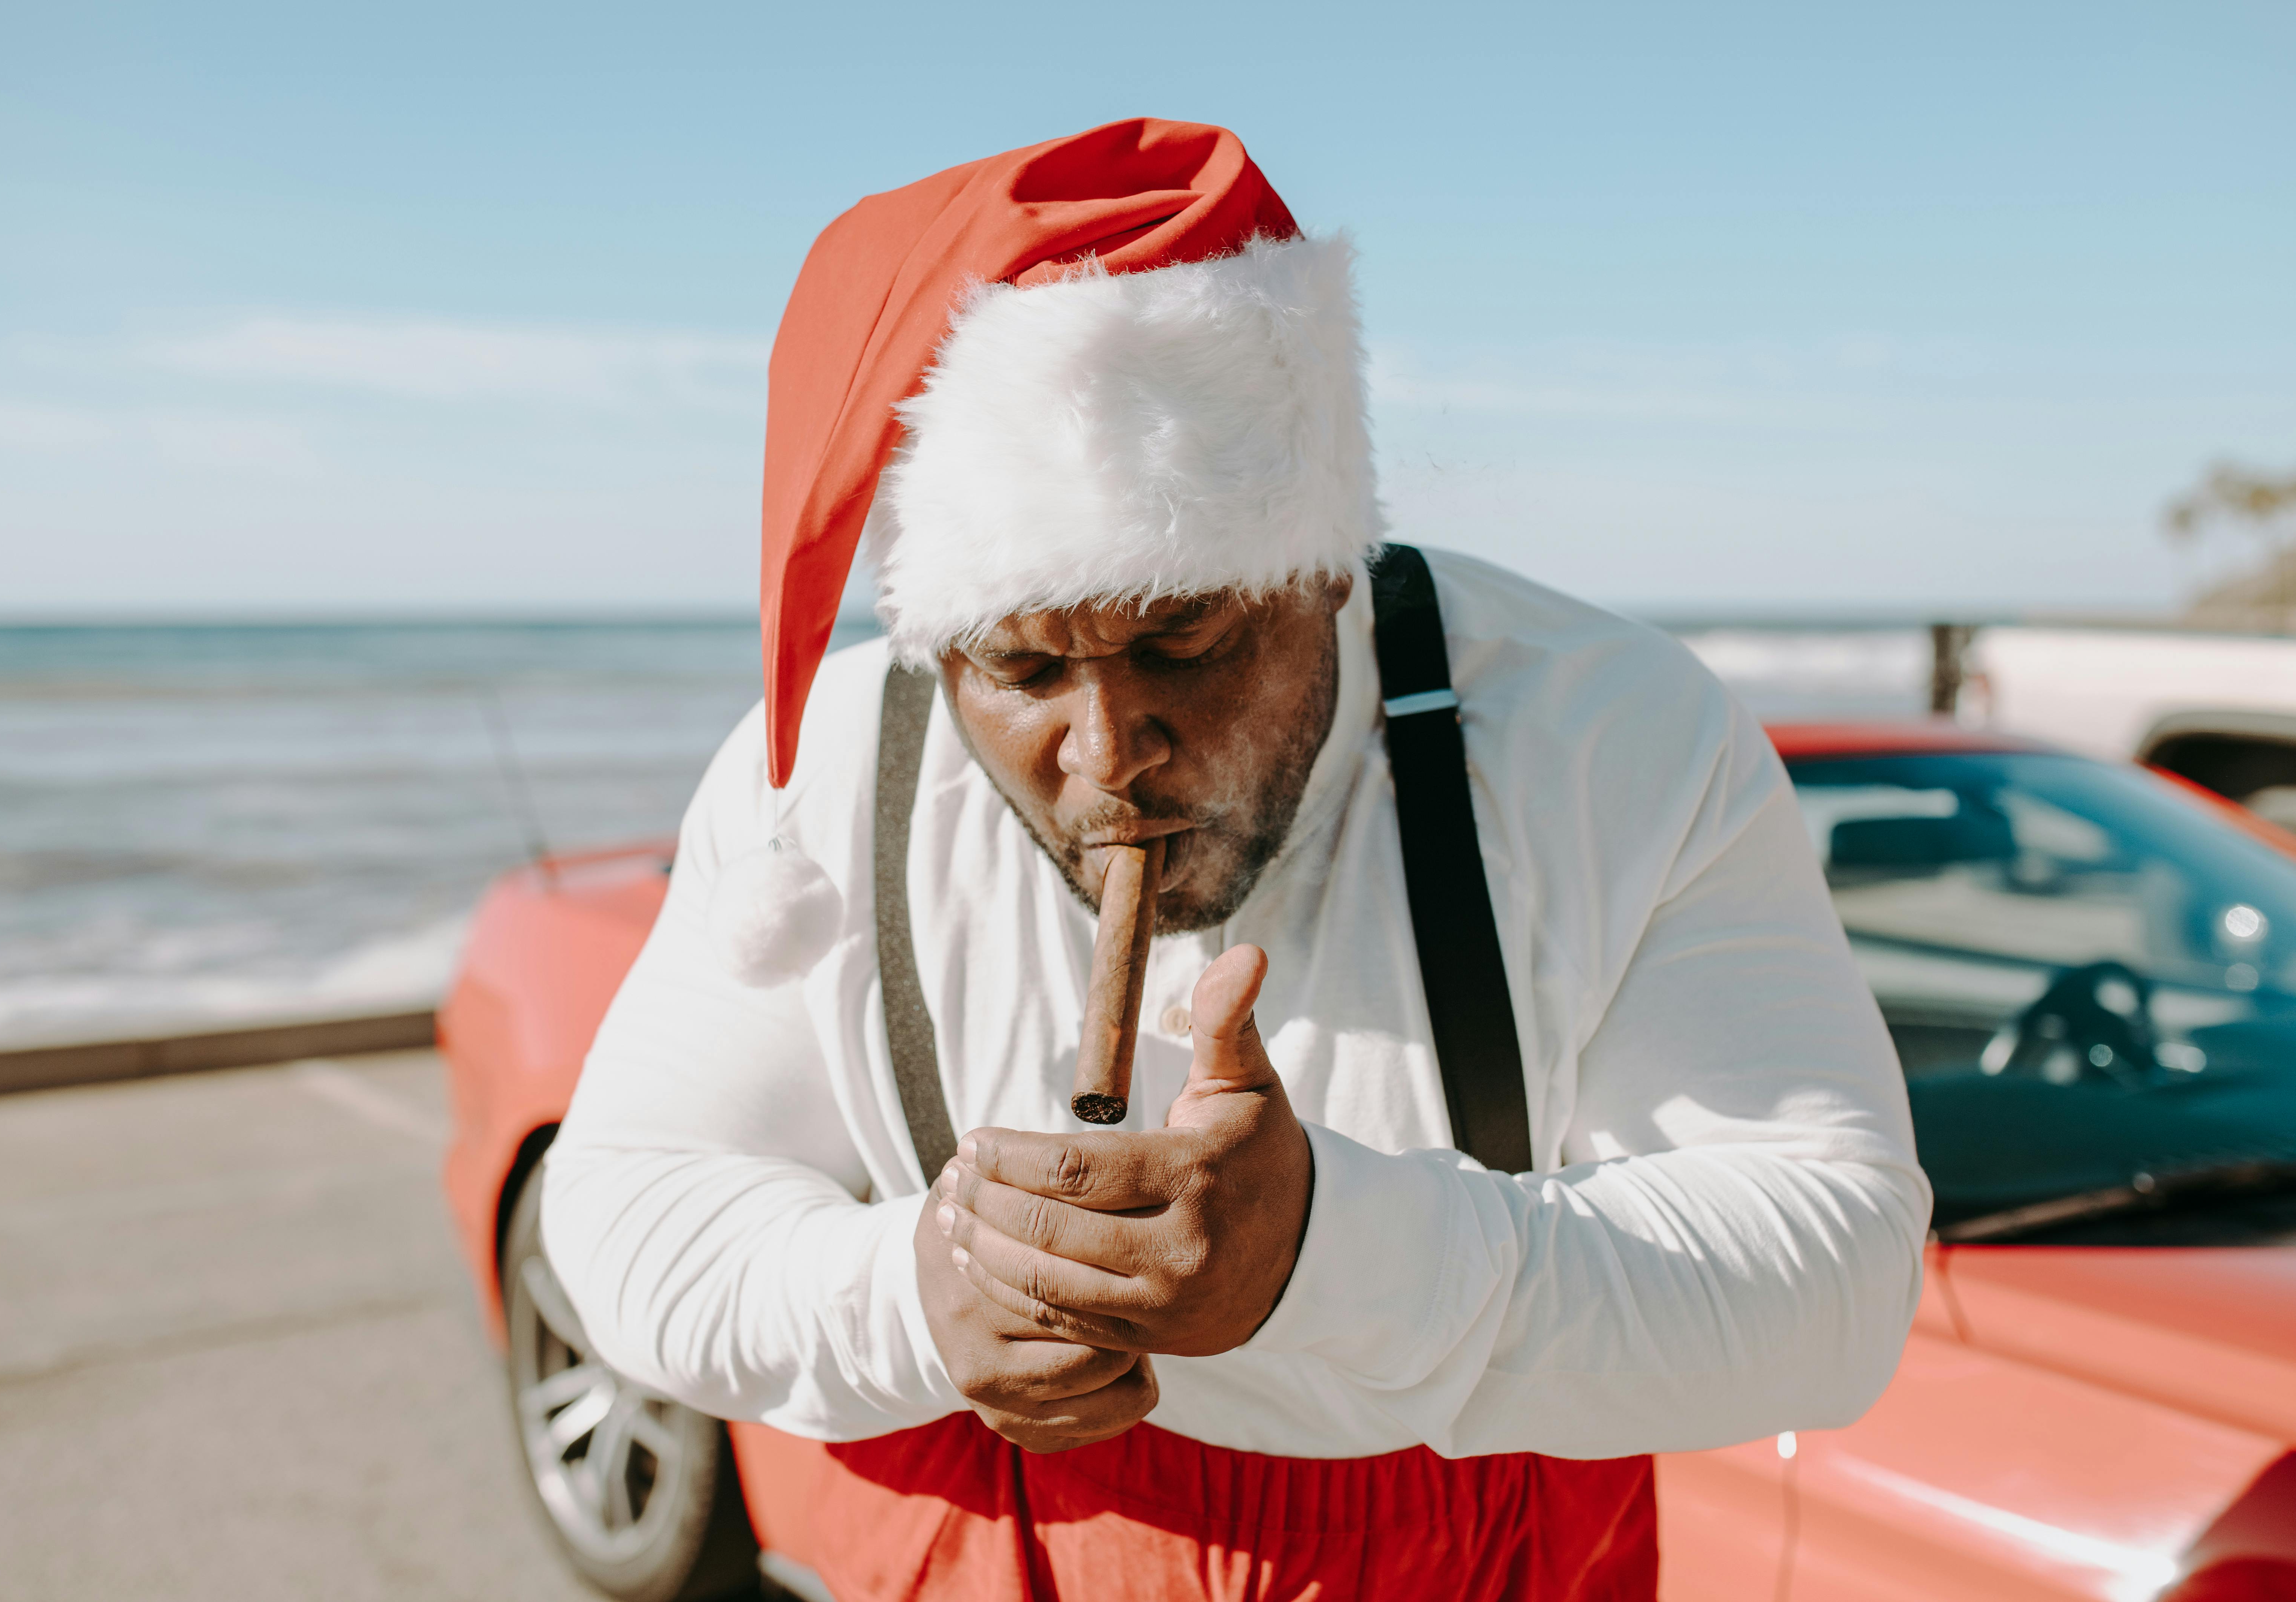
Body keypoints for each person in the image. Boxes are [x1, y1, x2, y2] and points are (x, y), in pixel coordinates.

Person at [542, 117, 1929, 1601]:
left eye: (1178, 641)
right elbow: (628, 1205)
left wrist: (1326, 1255)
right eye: (1020, 667)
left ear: (1322, 565)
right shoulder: (827, 761)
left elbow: (1833, 1281)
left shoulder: (1606, 739)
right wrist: (912, 1293)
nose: (1103, 752)